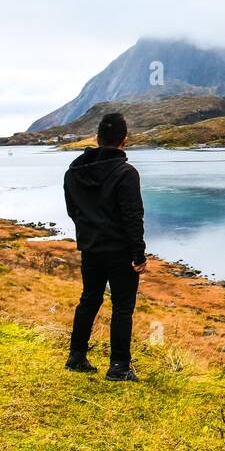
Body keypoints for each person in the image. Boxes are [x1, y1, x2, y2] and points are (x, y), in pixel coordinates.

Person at [63, 112, 147, 381]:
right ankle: (119, 366)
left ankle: (76, 357)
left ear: (97, 139)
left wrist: (89, 232)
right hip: (120, 252)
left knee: (89, 300)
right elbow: (132, 216)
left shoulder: (74, 172)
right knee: (123, 307)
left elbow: (72, 211)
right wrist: (139, 254)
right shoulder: (126, 173)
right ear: (124, 140)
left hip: (90, 248)